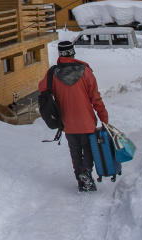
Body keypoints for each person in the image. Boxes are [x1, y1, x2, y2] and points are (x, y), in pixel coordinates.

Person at [38, 39, 109, 192]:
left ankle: (81, 180)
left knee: (75, 151)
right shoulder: (86, 71)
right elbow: (95, 98)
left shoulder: (53, 74)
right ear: (73, 52)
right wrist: (104, 118)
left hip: (67, 122)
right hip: (86, 121)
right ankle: (86, 173)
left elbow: (41, 87)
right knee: (88, 149)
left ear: (60, 54)